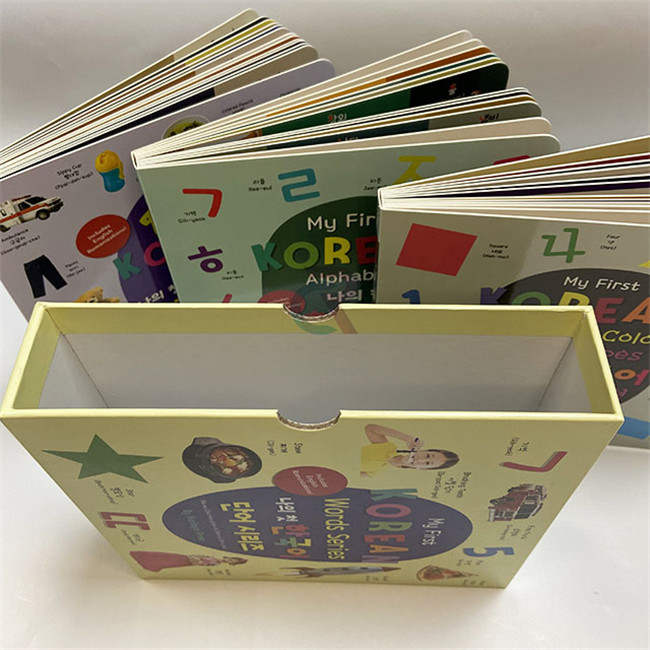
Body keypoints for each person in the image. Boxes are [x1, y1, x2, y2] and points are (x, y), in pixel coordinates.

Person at [360, 424, 459, 477]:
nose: (420, 460)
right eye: (427, 456)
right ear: (423, 450)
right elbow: (370, 428)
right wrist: (407, 438)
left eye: (427, 463)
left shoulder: (379, 473)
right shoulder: (388, 447)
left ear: (423, 469)